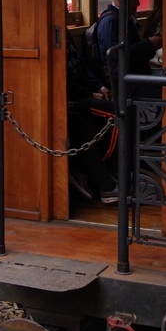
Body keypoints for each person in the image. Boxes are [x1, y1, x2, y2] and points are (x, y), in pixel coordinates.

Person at [66, 30, 119, 204]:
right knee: (118, 114)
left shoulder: (64, 32)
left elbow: (80, 66)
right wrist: (90, 93)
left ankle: (109, 173)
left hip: (80, 94)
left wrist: (100, 87)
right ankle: (105, 179)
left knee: (118, 110)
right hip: (70, 99)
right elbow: (62, 80)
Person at [96, 0, 162, 99]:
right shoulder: (110, 22)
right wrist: (149, 44)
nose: (138, 3)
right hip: (124, 84)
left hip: (135, 78)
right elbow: (117, 57)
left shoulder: (126, 19)